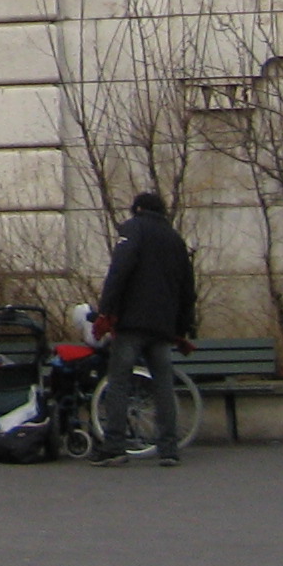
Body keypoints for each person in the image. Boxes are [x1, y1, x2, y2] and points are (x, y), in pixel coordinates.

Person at [90, 190, 197, 467]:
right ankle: (169, 448)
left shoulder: (132, 230)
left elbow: (120, 270)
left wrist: (106, 311)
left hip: (133, 323)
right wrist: (181, 329)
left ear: (137, 209)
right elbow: (187, 288)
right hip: (163, 326)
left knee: (120, 381)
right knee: (162, 384)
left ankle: (114, 445)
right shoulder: (175, 239)